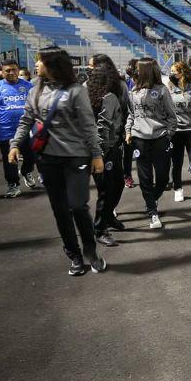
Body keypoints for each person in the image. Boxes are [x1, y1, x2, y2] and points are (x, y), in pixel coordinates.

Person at [9, 47, 106, 276]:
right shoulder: (35, 90)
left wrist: (96, 154)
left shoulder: (76, 91)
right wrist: (15, 144)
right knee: (60, 210)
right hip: (47, 159)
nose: (36, 65)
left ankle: (91, 251)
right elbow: (26, 120)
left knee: (77, 206)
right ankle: (74, 255)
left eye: (39, 62)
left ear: (53, 65)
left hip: (76, 157)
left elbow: (88, 125)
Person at [125, 57, 177, 229]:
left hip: (160, 138)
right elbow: (131, 115)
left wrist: (168, 135)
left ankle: (151, 199)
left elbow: (171, 116)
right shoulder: (133, 91)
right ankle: (152, 212)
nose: (135, 71)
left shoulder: (162, 90)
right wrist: (128, 131)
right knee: (145, 178)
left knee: (162, 178)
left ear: (147, 70)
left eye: (139, 69)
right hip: (140, 140)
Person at [0, 59, 37, 197]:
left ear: (18, 71)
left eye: (14, 70)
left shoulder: (28, 86)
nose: (11, 73)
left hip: (26, 130)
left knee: (31, 156)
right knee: (10, 159)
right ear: (2, 72)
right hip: (5, 130)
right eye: (7, 70)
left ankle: (26, 170)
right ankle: (13, 184)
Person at [87, 65, 126, 247]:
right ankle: (100, 229)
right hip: (106, 150)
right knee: (108, 189)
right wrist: (101, 152)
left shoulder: (88, 94)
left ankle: (108, 217)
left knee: (115, 185)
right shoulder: (109, 97)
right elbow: (103, 126)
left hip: (101, 149)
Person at [167, 60, 191, 209]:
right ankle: (178, 188)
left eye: (175, 71)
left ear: (183, 72)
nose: (172, 74)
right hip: (176, 132)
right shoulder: (169, 88)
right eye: (171, 71)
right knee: (176, 163)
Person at [122, 58, 138, 189]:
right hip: (127, 123)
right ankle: (127, 175)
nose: (129, 68)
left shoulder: (147, 83)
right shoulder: (125, 83)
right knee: (127, 153)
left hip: (142, 124)